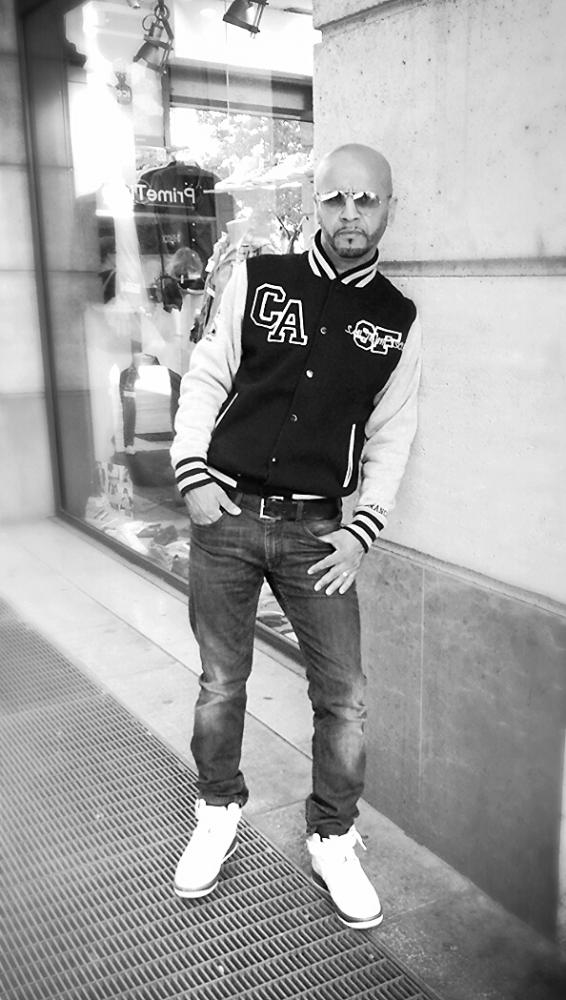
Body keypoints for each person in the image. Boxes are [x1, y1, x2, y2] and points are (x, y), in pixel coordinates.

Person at [169, 143, 422, 930]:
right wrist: (193, 476)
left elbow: (392, 436)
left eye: (366, 200)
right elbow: (207, 377)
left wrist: (363, 531)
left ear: (388, 209)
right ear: (318, 204)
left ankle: (333, 838)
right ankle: (218, 810)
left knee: (344, 697)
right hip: (227, 517)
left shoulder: (398, 320)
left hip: (318, 531)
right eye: (337, 198)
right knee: (221, 683)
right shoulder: (259, 279)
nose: (351, 213)